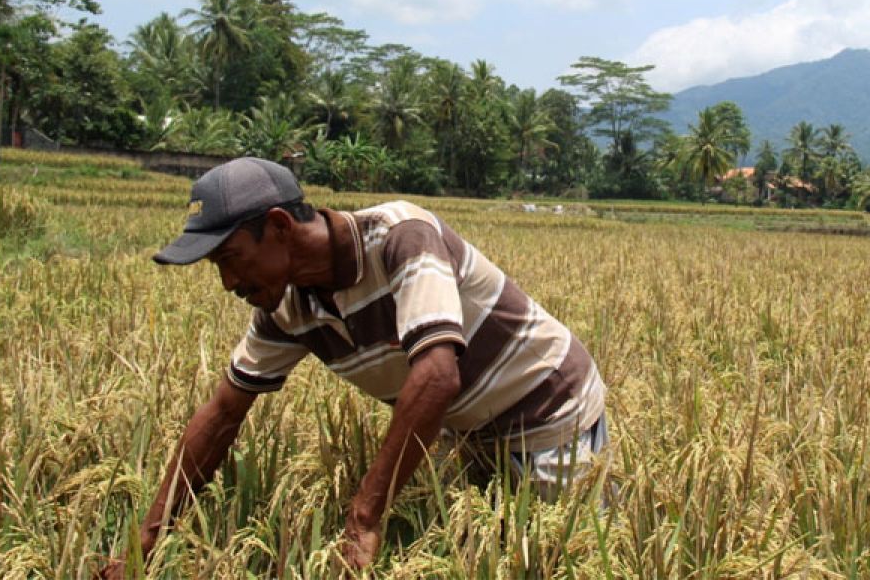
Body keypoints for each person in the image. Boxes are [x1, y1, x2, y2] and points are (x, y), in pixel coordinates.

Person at [100, 157, 607, 575]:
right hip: (472, 430)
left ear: (278, 227)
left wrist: (366, 516)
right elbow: (222, 414)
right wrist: (146, 540)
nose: (228, 282)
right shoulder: (284, 307)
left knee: (556, 559)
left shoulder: (400, 238)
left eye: (230, 258)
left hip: (550, 411)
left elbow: (437, 376)